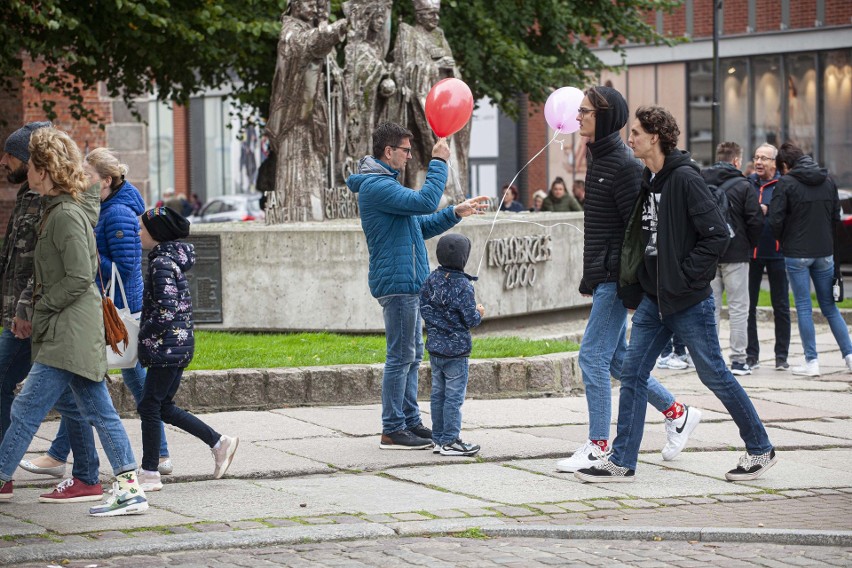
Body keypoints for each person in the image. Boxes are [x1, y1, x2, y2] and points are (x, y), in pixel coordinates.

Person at [575, 106, 776, 483]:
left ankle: (760, 448)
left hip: (687, 300)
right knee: (632, 374)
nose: (629, 138)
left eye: (635, 132)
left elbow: (717, 234)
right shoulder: (648, 180)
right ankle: (621, 460)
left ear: (654, 137)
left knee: (714, 374)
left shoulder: (684, 179)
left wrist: (684, 277)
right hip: (654, 299)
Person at [0, 127, 148, 516]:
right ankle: (130, 489)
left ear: (45, 170)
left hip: (68, 331)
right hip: (69, 329)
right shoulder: (60, 208)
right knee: (99, 412)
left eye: (32, 164)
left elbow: (81, 275)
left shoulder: (65, 214)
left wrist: (43, 306)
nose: (27, 171)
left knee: (26, 408)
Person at [555, 88, 700, 474]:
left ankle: (600, 447)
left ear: (603, 116)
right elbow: (605, 228)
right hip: (602, 275)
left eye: (584, 111)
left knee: (592, 358)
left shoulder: (622, 164)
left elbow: (634, 232)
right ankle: (678, 413)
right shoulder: (599, 157)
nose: (578, 116)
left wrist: (622, 283)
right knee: (619, 361)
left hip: (615, 280)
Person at [19, 148, 174, 489]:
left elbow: (126, 267)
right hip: (110, 305)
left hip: (116, 308)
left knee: (124, 382)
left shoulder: (117, 211)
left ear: (105, 180)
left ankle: (159, 454)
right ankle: (62, 456)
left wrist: (87, 252)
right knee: (93, 386)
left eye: (88, 176)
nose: (81, 180)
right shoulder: (107, 204)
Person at [346, 122, 489, 449]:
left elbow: (418, 226)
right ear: (388, 152)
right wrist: (438, 161)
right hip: (396, 284)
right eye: (406, 150)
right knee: (400, 356)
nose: (410, 156)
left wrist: (455, 212)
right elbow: (426, 201)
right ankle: (392, 428)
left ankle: (409, 421)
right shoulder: (375, 186)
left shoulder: (387, 186)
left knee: (412, 354)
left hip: (408, 283)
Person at [135, 207, 240, 491]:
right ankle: (219, 442)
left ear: (156, 234)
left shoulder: (161, 263)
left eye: (142, 229)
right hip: (177, 345)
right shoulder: (169, 259)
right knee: (163, 406)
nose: (138, 232)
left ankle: (149, 473)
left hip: (166, 347)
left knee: (149, 405)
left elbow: (166, 309)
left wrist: (142, 336)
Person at [768, 142, 852, 376]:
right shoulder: (828, 180)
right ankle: (850, 356)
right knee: (830, 308)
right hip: (825, 252)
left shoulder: (786, 182)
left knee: (804, 307)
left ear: (785, 165)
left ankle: (812, 362)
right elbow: (836, 217)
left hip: (796, 253)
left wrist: (784, 239)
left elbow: (775, 219)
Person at [0, 122, 50, 501]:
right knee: (80, 399)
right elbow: (14, 258)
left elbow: (43, 264)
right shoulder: (25, 194)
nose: (5, 162)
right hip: (19, 315)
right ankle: (85, 475)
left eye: (11, 155)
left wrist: (22, 310)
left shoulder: (51, 197)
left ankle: (3, 472)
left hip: (32, 317)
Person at [420, 233, 483, 456]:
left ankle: (438, 439)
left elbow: (424, 309)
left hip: (435, 349)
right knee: (453, 398)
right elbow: (471, 320)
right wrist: (479, 311)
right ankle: (450, 440)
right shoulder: (464, 286)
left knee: (438, 395)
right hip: (457, 352)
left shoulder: (430, 280)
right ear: (464, 258)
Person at [703, 142, 763, 375]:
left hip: (709, 254)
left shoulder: (702, 181)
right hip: (737, 254)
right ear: (737, 161)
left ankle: (712, 360)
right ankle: (738, 360)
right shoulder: (743, 186)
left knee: (711, 308)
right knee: (739, 307)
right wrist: (749, 244)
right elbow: (756, 220)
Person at [746, 143, 790, 371]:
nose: (759, 162)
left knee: (781, 306)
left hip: (778, 253)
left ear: (775, 162)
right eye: (756, 157)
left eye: (764, 158)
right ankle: (751, 355)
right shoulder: (748, 183)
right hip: (752, 254)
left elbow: (789, 213)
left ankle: (781, 356)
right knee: (749, 306)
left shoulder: (784, 184)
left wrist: (768, 209)